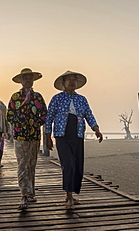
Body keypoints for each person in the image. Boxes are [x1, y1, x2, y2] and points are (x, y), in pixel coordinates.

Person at [45, 70, 103, 209]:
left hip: (77, 134)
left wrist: (96, 129)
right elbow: (49, 118)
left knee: (77, 166)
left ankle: (70, 194)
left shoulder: (82, 99)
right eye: (69, 79)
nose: (72, 82)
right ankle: (69, 196)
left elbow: (88, 114)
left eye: (74, 79)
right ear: (63, 83)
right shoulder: (57, 98)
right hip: (62, 135)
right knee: (68, 164)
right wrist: (48, 137)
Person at [6, 68, 47, 210]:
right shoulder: (15, 97)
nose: (28, 80)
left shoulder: (38, 97)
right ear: (21, 81)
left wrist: (36, 123)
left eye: (30, 78)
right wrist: (19, 123)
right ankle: (23, 195)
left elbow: (43, 114)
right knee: (22, 165)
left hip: (35, 136)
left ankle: (31, 193)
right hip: (20, 136)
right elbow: (9, 115)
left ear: (33, 80)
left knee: (31, 165)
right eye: (25, 78)